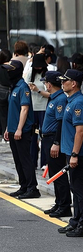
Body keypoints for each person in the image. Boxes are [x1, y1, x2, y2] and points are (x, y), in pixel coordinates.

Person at [57, 69, 83, 237]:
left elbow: (80, 131)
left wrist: (74, 154)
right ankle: (76, 220)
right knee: (75, 186)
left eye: (65, 81)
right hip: (72, 151)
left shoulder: (78, 102)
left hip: (77, 153)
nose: (62, 83)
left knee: (79, 188)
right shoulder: (71, 100)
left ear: (73, 83)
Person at [2, 60, 40, 199]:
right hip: (12, 130)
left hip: (21, 131)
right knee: (18, 160)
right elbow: (13, 110)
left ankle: (32, 188)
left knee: (25, 160)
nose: (7, 73)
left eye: (9, 70)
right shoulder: (14, 87)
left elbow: (24, 109)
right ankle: (23, 186)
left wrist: (19, 129)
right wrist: (8, 128)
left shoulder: (23, 87)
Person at [41, 71, 71, 218]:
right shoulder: (54, 98)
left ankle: (64, 205)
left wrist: (56, 143)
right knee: (54, 172)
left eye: (45, 82)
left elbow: (60, 123)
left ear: (49, 84)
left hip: (53, 139)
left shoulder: (59, 99)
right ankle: (59, 202)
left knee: (59, 174)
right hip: (48, 139)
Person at [26, 53, 50, 169]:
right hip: (32, 108)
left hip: (44, 108)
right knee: (32, 136)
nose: (38, 68)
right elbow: (25, 87)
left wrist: (38, 90)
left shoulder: (47, 75)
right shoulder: (30, 74)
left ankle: (45, 162)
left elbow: (50, 94)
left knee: (44, 135)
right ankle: (32, 161)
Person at [0, 49, 12, 135]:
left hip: (1, 92)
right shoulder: (12, 67)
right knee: (11, 112)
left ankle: (4, 132)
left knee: (3, 114)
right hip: (11, 91)